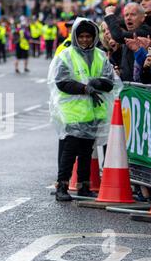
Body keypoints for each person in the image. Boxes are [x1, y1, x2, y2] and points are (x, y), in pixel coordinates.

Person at [48, 18, 115, 201]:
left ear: (94, 37)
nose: (85, 40)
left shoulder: (101, 56)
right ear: (75, 37)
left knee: (86, 151)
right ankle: (62, 186)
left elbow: (110, 82)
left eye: (88, 36)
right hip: (73, 112)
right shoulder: (66, 55)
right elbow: (61, 83)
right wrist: (84, 88)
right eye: (81, 36)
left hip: (94, 111)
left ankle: (84, 186)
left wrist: (97, 83)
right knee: (69, 151)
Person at [104, 3, 151, 81]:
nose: (128, 18)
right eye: (126, 15)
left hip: (141, 88)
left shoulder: (144, 32)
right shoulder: (129, 31)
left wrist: (110, 14)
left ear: (142, 18)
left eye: (133, 15)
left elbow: (118, 35)